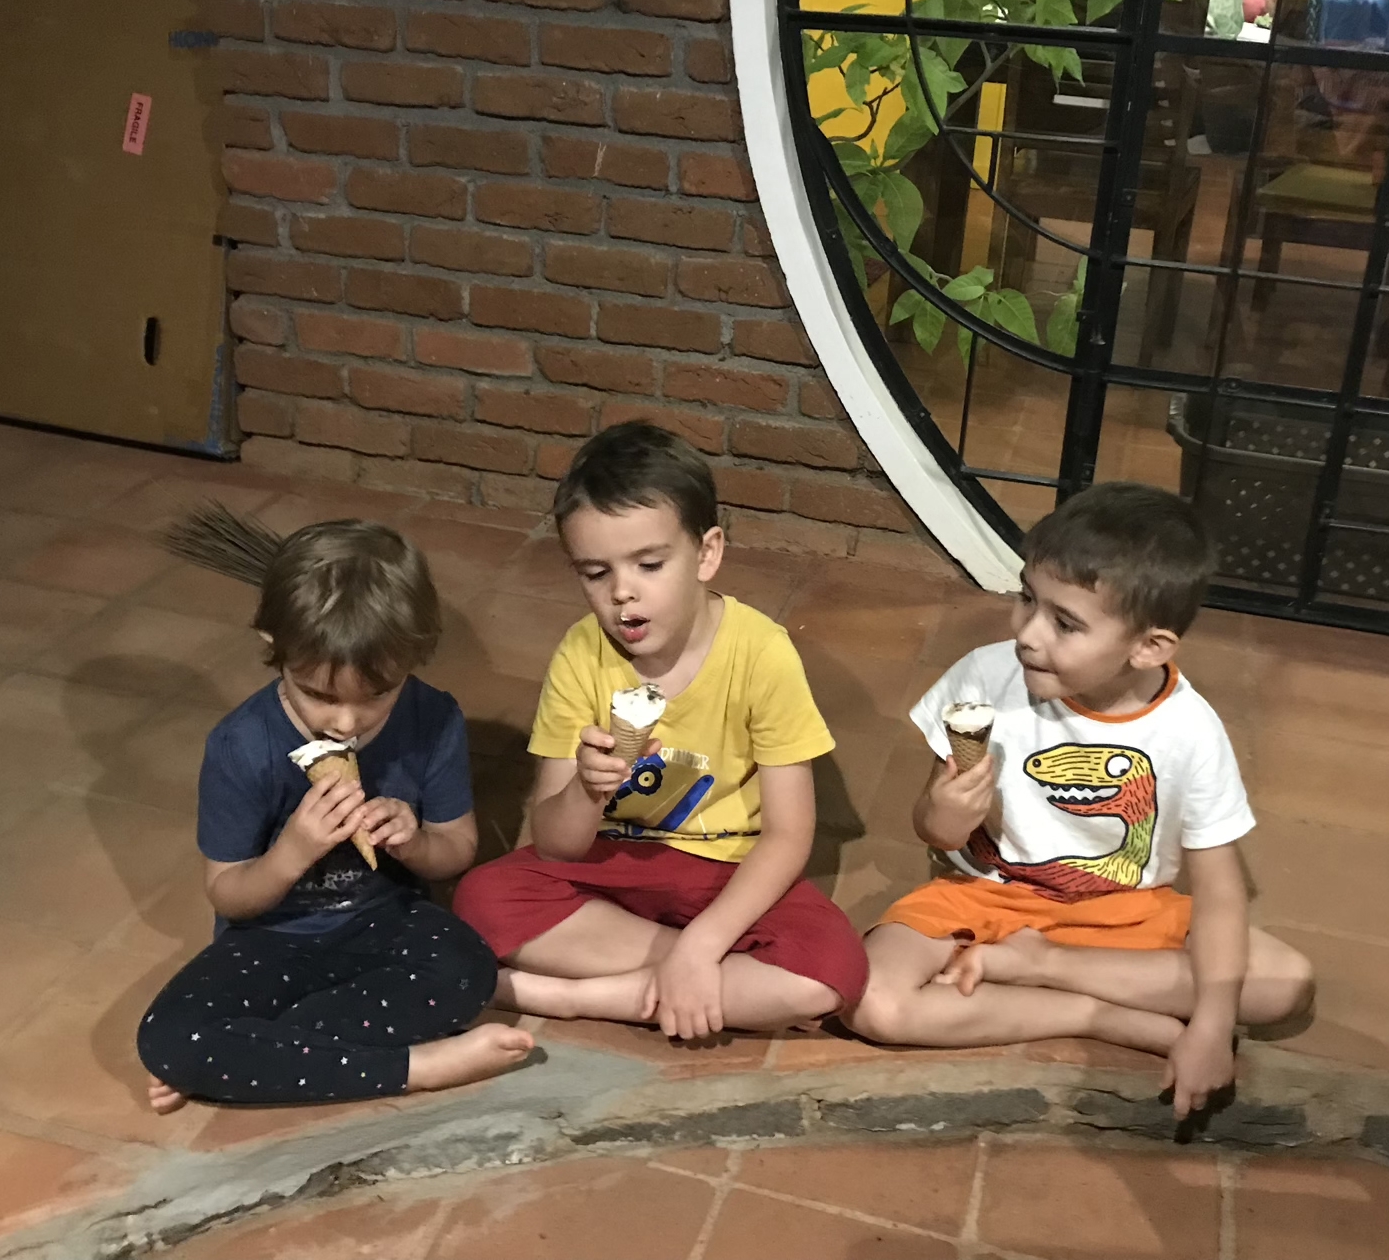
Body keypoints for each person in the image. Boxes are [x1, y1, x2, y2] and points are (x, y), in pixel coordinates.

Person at [845, 484, 1312, 1118]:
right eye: (1026, 599)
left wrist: (1211, 1025)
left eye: (1065, 623)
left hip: (1125, 913)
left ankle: (1042, 966)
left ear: (1148, 647)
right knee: (872, 1001)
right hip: (982, 897)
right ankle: (1095, 1013)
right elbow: (935, 829)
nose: (1027, 635)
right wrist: (945, 816)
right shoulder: (984, 677)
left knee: (1284, 983)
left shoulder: (1190, 731)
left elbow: (1221, 892)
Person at [454, 422, 867, 1038]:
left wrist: (702, 943)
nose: (623, 593)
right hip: (614, 862)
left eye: (649, 564)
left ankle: (574, 996)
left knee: (831, 970)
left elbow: (788, 835)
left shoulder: (762, 652)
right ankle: (707, 979)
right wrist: (587, 790)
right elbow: (556, 845)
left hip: (726, 868)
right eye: (595, 573)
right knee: (482, 899)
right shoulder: (581, 653)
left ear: (707, 554)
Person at [136, 520, 533, 1113]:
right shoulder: (241, 746)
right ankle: (418, 1066)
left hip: (386, 923)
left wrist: (413, 841)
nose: (346, 722)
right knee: (168, 1038)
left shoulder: (433, 718)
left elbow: (456, 850)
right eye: (319, 695)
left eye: (377, 695)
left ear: (412, 659)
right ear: (275, 647)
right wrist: (293, 850)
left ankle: (255, 1058)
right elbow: (228, 895)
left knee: (467, 969)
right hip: (270, 939)